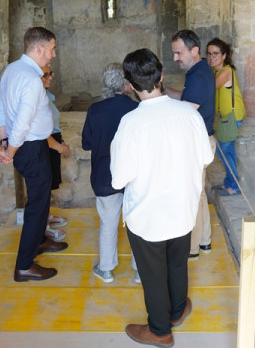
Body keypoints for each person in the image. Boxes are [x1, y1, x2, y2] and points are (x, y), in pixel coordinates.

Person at [111, 48, 213, 347]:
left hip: (147, 216)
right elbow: (205, 158)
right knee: (177, 263)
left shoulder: (130, 124)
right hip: (182, 209)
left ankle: (159, 330)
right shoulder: (189, 115)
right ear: (162, 77)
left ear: (129, 84)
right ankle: (178, 310)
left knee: (153, 275)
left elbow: (119, 178)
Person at [0, 26, 68, 282]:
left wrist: (4, 141)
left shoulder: (12, 70)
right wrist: (9, 152)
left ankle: (38, 243)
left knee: (40, 200)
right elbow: (23, 123)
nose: (54, 54)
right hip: (32, 148)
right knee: (37, 206)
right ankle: (24, 265)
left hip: (24, 146)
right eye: (51, 48)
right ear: (39, 49)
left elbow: (1, 109)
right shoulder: (32, 80)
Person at [81, 63, 139, 283]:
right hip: (134, 175)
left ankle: (106, 269)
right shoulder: (136, 110)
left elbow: (87, 144)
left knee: (108, 221)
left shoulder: (95, 110)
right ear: (127, 84)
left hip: (105, 175)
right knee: (136, 222)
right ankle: (140, 270)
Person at [164, 29, 216, 259]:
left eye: (179, 53)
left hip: (197, 144)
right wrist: (163, 91)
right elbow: (187, 100)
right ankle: (204, 241)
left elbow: (187, 112)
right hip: (204, 139)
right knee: (200, 194)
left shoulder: (198, 76)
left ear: (194, 50)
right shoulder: (200, 70)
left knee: (192, 196)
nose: (176, 59)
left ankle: (192, 248)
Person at [206, 38, 246, 195]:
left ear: (224, 55)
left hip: (232, 116)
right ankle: (230, 182)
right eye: (209, 54)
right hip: (225, 116)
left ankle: (234, 186)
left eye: (215, 53)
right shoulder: (218, 71)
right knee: (226, 151)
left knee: (225, 150)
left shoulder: (226, 71)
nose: (211, 57)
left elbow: (210, 89)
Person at [41, 65, 70, 242]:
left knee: (49, 183)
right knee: (43, 186)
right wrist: (58, 147)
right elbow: (39, 131)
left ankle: (47, 216)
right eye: (45, 75)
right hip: (47, 143)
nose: (50, 77)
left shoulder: (44, 94)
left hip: (53, 139)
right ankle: (43, 227)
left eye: (51, 73)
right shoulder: (36, 97)